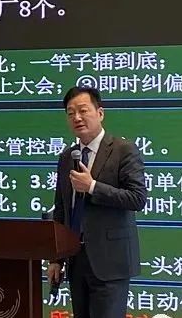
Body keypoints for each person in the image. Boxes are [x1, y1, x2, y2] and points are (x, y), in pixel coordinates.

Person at [47, 86, 147, 317]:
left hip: (110, 262)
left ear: (100, 113)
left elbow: (137, 198)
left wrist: (92, 186)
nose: (77, 118)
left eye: (83, 110)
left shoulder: (123, 150)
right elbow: (61, 209)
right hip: (76, 260)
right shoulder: (67, 157)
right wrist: (57, 259)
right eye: (71, 113)